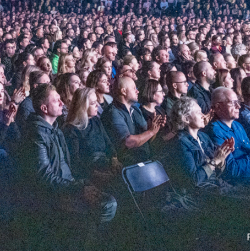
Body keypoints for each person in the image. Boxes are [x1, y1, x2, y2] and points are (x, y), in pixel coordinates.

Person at [18, 83, 117, 238]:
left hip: (68, 186)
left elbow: (68, 166)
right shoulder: (37, 134)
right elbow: (44, 175)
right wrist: (78, 187)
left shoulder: (54, 129)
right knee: (107, 205)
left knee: (109, 200)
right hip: (55, 195)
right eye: (56, 100)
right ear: (44, 109)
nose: (62, 103)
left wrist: (83, 184)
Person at [202, 87, 250, 186]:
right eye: (233, 103)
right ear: (218, 107)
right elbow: (232, 170)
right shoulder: (215, 132)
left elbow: (249, 152)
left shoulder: (237, 125)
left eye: (237, 102)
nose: (238, 106)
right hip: (240, 186)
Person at [103, 76, 165, 165]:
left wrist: (155, 128)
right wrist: (151, 132)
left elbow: (146, 139)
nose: (137, 91)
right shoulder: (113, 113)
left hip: (145, 160)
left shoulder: (135, 110)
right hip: (129, 165)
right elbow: (128, 142)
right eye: (134, 88)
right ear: (123, 91)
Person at [63, 87, 118, 180]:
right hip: (90, 174)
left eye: (96, 101)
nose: (97, 105)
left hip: (105, 164)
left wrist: (114, 158)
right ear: (83, 106)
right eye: (93, 103)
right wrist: (95, 174)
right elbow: (75, 162)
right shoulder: (71, 129)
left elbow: (108, 142)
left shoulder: (95, 120)